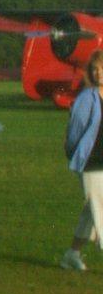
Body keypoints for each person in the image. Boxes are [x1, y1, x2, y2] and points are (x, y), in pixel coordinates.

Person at [60, 50, 103, 271]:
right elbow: (75, 131)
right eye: (95, 69)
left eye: (102, 68)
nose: (98, 73)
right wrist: (72, 151)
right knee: (99, 206)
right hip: (90, 163)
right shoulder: (87, 98)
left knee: (90, 210)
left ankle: (72, 254)